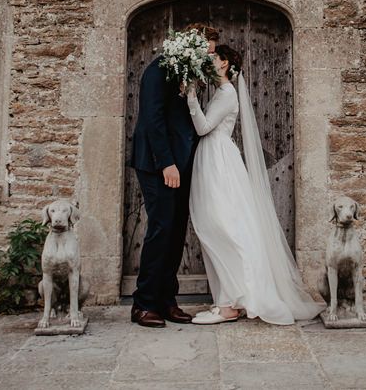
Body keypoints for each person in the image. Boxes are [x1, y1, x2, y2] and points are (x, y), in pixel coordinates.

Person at [186, 45, 324, 325]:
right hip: (212, 157)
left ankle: (231, 304)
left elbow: (203, 127)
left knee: (223, 227)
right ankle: (227, 300)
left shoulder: (226, 94)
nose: (209, 61)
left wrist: (190, 97)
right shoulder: (221, 92)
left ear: (224, 63)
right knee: (214, 227)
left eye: (213, 57)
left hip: (219, 161)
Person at [130, 23, 220, 327]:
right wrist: (166, 163)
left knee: (176, 232)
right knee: (160, 230)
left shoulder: (186, 74)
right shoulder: (158, 71)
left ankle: (167, 300)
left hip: (181, 166)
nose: (210, 59)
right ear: (192, 46)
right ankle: (143, 304)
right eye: (208, 52)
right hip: (159, 165)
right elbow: (152, 119)